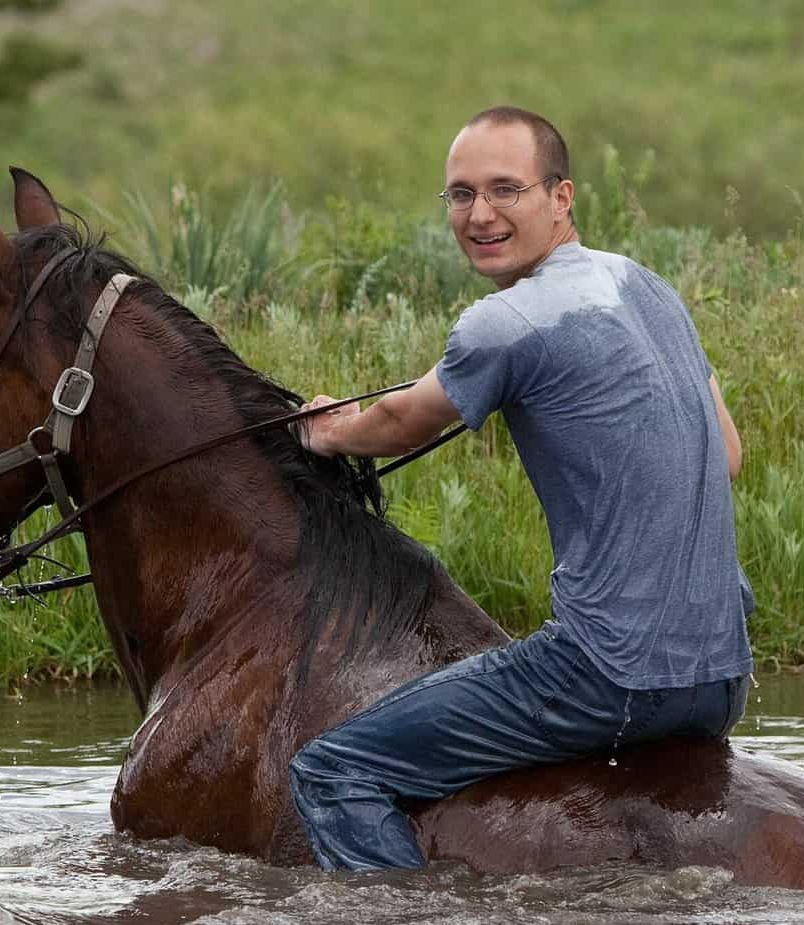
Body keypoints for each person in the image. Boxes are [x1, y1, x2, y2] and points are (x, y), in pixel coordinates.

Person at [289, 106, 753, 871]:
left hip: (609, 676)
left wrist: (329, 432)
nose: (480, 214)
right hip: (719, 678)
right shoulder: (648, 288)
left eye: (505, 189)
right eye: (460, 194)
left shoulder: (502, 323)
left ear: (561, 197)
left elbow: (404, 420)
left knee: (334, 770)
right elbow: (727, 453)